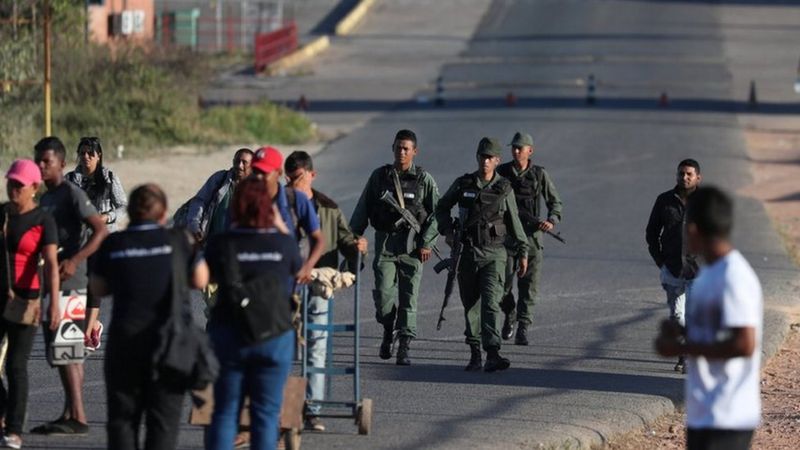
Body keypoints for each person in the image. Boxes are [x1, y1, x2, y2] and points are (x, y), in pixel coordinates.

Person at [89, 184, 208, 450]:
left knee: (122, 420)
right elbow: (201, 279)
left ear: (130, 212)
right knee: (163, 424)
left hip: (125, 344)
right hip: (169, 346)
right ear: (164, 213)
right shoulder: (179, 240)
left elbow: (98, 288)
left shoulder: (114, 243)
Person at [655, 186, 762, 450]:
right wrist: (680, 332)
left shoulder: (733, 277)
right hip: (705, 412)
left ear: (692, 229)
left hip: (729, 415)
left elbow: (743, 343)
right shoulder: (708, 274)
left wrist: (681, 348)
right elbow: (714, 334)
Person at [204, 178, 302, 450]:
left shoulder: (222, 244)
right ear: (268, 207)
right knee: (266, 413)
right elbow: (296, 268)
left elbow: (204, 276)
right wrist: (280, 227)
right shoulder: (283, 245)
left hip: (229, 333)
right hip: (273, 335)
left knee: (225, 411)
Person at [284, 151, 367, 432]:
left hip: (319, 285)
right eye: (290, 178)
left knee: (316, 348)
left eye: (300, 178)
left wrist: (357, 248)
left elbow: (345, 239)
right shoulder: (277, 207)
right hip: (283, 287)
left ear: (312, 175)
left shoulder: (328, 210)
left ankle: (312, 409)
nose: (295, 183)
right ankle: (281, 407)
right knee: (282, 348)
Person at [31, 136, 109, 435]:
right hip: (53, 279)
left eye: (46, 161)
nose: (41, 166)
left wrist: (76, 260)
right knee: (64, 350)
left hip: (73, 280)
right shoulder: (46, 197)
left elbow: (100, 229)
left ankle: (78, 416)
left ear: (62, 164)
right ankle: (70, 412)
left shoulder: (71, 194)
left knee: (68, 348)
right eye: (38, 160)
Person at [434, 137, 528, 372]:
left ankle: (493, 352)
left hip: (495, 254)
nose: (485, 161)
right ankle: (475, 351)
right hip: (467, 252)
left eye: (490, 157)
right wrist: (447, 231)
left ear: (497, 160)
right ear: (477, 158)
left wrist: (524, 251)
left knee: (491, 302)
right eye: (482, 156)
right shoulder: (463, 183)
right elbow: (441, 207)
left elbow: (514, 222)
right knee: (471, 304)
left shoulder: (504, 188)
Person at [349, 129, 439, 365]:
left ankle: (405, 346)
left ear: (414, 152)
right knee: (384, 297)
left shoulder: (424, 179)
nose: (401, 152)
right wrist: (352, 239)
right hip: (386, 244)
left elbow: (437, 214)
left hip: (412, 248)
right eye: (398, 147)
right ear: (393, 148)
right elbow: (363, 208)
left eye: (406, 148)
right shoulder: (379, 177)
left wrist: (427, 242)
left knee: (409, 298)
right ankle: (388, 330)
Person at [0, 160, 60, 449]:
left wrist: (54, 304)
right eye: (10, 182)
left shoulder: (42, 220)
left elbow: (50, 263)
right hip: (1, 297)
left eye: (18, 184)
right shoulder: (2, 214)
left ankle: (13, 430)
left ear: (34, 188)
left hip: (27, 301)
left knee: (15, 365)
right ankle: (2, 410)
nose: (12, 188)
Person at [496, 132, 562, 345]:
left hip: (532, 237)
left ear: (529, 151)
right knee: (500, 285)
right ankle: (510, 312)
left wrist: (551, 220)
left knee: (529, 286)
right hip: (506, 237)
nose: (516, 151)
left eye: (520, 148)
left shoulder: (539, 175)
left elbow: (555, 202)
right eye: (513, 147)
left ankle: (523, 326)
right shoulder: (502, 172)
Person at [65, 136, 128, 349]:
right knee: (77, 285)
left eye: (90, 154)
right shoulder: (71, 179)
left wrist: (106, 217)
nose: (85, 157)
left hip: (102, 239)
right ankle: (94, 326)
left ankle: (85, 333)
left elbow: (123, 206)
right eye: (82, 153)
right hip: (78, 240)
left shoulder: (109, 177)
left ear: (98, 156)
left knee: (94, 285)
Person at [646, 159, 702, 373]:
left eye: (689, 174)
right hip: (672, 269)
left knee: (692, 315)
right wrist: (661, 262)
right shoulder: (665, 200)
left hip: (699, 270)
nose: (684, 177)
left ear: (698, 177)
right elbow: (651, 233)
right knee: (676, 316)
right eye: (681, 173)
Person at [184, 148, 253, 242]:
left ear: (253, 165)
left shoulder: (257, 187)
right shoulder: (220, 179)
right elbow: (199, 201)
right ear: (233, 161)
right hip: (215, 241)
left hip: (242, 243)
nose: (239, 165)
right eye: (237, 161)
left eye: (244, 162)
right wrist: (195, 226)